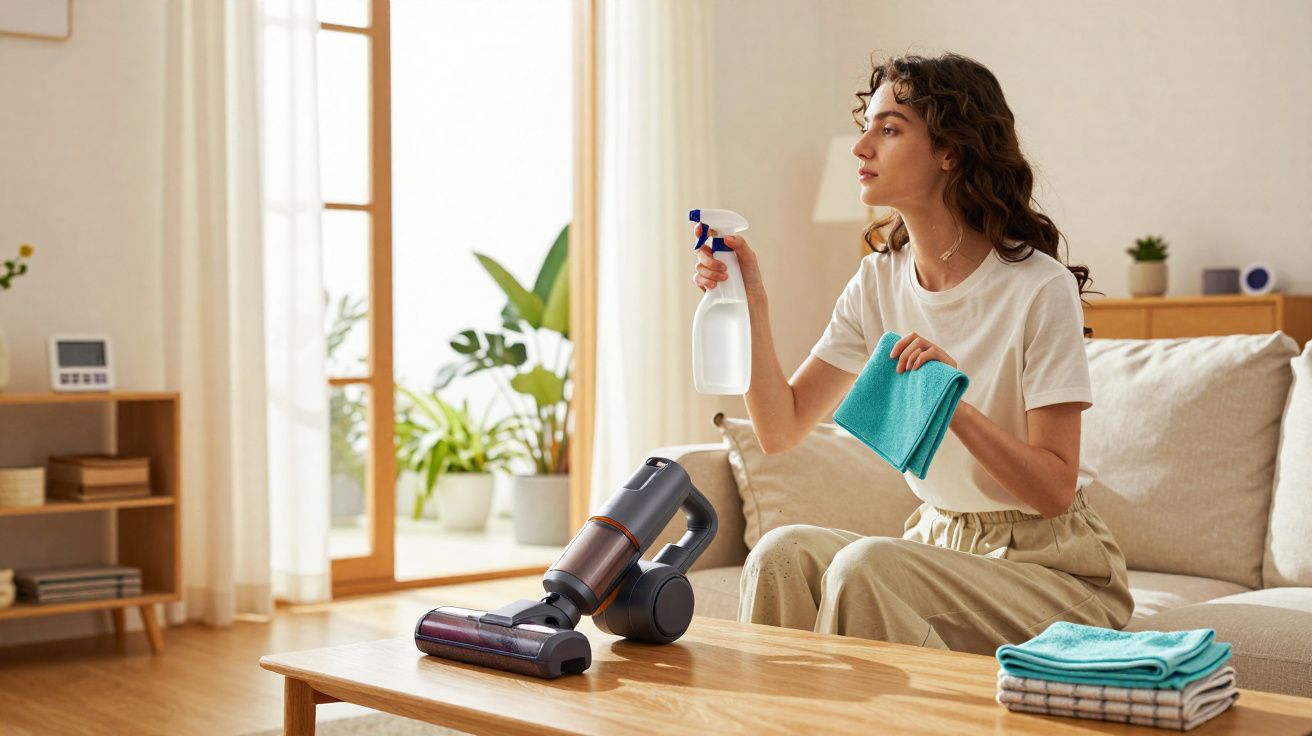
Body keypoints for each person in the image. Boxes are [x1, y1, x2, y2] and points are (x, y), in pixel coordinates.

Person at [690, 51, 1133, 655]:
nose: (861, 147)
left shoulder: (1038, 286)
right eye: (866, 126)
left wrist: (954, 403)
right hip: (939, 542)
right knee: (781, 553)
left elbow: (1054, 489)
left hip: (1054, 567)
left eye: (889, 128)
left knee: (866, 565)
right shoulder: (878, 280)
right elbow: (779, 427)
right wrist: (750, 304)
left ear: (950, 152)